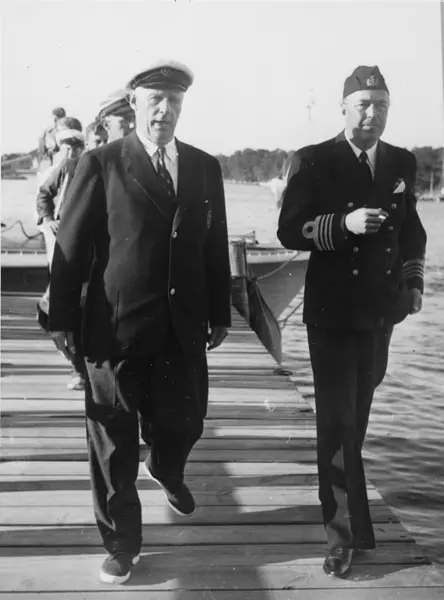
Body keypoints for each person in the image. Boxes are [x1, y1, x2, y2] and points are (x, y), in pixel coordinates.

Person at [47, 60, 231, 584]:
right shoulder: (101, 163)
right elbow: (70, 248)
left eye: (174, 101)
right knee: (112, 443)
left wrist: (220, 311)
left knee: (186, 422)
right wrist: (62, 320)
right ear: (134, 104)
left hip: (181, 328)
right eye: (155, 100)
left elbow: (214, 246)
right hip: (115, 329)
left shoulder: (204, 167)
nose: (165, 111)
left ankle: (166, 468)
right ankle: (122, 544)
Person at [277, 65, 426, 578]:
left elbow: (413, 232)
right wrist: (344, 224)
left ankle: (355, 522)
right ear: (342, 108)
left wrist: (414, 283)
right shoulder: (313, 159)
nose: (372, 113)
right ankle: (342, 537)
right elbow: (289, 230)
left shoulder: (401, 161)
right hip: (332, 314)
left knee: (355, 420)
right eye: (363, 104)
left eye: (381, 104)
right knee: (337, 421)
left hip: (381, 313)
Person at [36, 128, 87, 391]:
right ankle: (76, 366)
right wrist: (47, 219)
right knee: (57, 305)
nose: (72, 151)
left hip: (92, 247)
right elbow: (44, 193)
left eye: (76, 146)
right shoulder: (65, 168)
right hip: (65, 244)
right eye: (67, 147)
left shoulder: (98, 167)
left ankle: (82, 369)